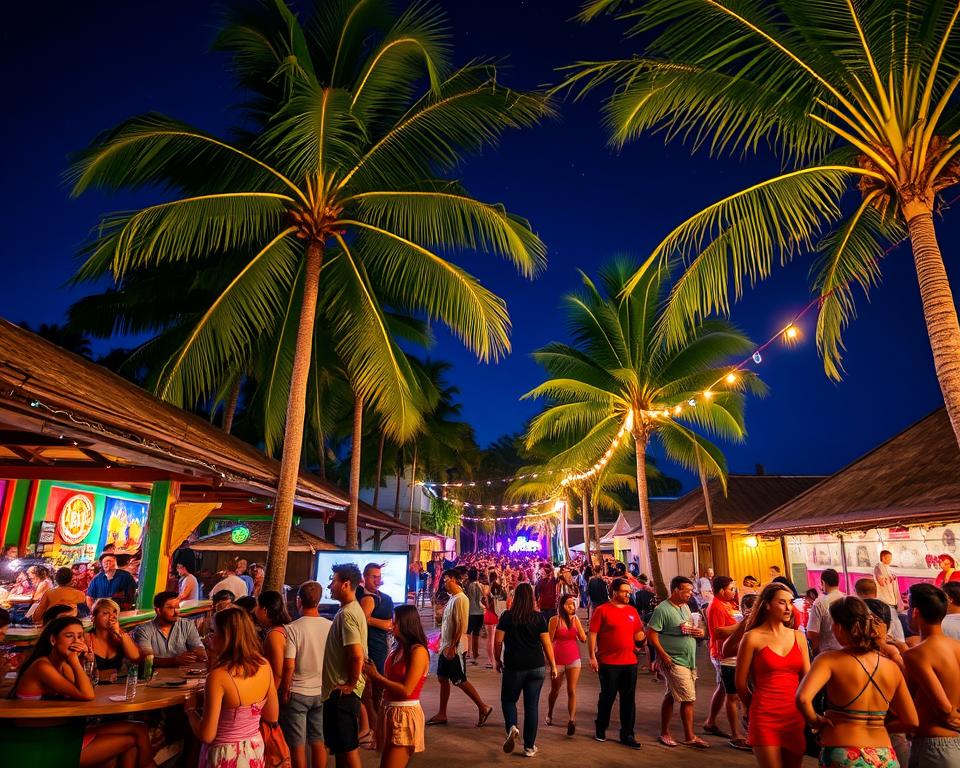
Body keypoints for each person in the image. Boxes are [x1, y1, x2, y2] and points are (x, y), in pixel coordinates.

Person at [13, 616, 154, 768]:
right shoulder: (42, 666)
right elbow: (88, 695)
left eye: (80, 636)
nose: (77, 641)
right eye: (69, 636)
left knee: (139, 728)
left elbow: (87, 688)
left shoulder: (63, 665)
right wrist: (74, 660)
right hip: (41, 740)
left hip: (64, 731)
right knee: (131, 741)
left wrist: (86, 660)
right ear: (53, 640)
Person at [796, 595, 918, 768]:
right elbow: (911, 720)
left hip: (843, 751)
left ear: (838, 627)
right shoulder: (891, 667)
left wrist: (815, 720)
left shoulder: (828, 660)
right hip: (884, 754)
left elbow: (802, 698)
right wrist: (878, 725)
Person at [186, 607, 280, 768]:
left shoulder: (218, 677)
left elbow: (207, 735)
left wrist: (190, 710)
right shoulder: (264, 665)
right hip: (254, 750)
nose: (209, 637)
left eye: (213, 632)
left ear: (226, 637)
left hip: (226, 754)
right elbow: (272, 716)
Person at [736, 583, 811, 768]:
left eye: (790, 602)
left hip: (794, 715)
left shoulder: (799, 637)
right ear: (767, 605)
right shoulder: (752, 637)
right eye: (782, 602)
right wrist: (753, 706)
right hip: (764, 715)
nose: (788, 608)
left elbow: (807, 680)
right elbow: (740, 683)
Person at [495, 582, 558, 757]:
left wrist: (497, 660)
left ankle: (512, 727)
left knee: (509, 700)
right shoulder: (538, 618)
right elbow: (546, 643)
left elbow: (498, 641)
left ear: (515, 597)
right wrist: (553, 665)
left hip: (514, 666)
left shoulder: (507, 617)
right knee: (531, 706)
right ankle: (529, 747)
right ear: (532, 598)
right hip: (536, 666)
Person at [363, 605, 429, 768]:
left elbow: (407, 690)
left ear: (406, 624)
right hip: (390, 711)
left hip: (405, 714)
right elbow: (390, 679)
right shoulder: (398, 648)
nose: (391, 625)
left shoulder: (418, 651)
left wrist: (378, 677)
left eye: (395, 622)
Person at [427, 569, 493, 728]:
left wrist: (452, 646)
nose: (444, 583)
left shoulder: (461, 599)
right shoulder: (453, 598)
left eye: (446, 580)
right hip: (446, 646)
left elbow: (461, 625)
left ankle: (483, 707)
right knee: (442, 678)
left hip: (454, 647)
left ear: (454, 580)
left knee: (459, 680)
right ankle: (442, 713)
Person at [903, 583, 960, 768]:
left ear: (915, 612)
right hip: (953, 742)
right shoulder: (957, 647)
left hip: (934, 745)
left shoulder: (916, 654)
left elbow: (943, 707)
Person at [647, 575, 707, 749]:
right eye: (687, 591)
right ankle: (689, 736)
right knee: (688, 698)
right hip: (673, 660)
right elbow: (651, 633)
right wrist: (662, 655)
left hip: (688, 659)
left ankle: (665, 732)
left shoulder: (685, 607)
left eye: (691, 591)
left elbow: (687, 627)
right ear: (676, 590)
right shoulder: (662, 609)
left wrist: (698, 632)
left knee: (671, 695)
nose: (690, 594)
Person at [588, 577, 645, 749]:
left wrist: (643, 638)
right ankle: (601, 726)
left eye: (629, 592)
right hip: (608, 662)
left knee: (629, 699)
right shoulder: (602, 610)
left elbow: (638, 633)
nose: (628, 594)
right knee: (608, 696)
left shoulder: (632, 611)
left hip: (630, 661)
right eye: (624, 592)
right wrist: (592, 656)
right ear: (614, 592)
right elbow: (593, 634)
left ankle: (627, 733)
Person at [279, 581, 331, 768]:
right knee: (319, 741)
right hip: (322, 691)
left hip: (298, 692)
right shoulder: (330, 626)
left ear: (299, 600)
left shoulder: (292, 628)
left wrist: (285, 688)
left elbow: (289, 665)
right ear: (319, 601)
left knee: (297, 745)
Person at [322, 563, 368, 768]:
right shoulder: (350, 610)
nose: (330, 586)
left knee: (348, 749)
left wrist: (350, 684)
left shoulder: (348, 614)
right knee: (341, 749)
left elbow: (356, 655)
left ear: (346, 584)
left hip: (342, 693)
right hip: (340, 691)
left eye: (333, 581)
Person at [704, 575, 748, 749]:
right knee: (732, 695)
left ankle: (710, 722)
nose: (734, 592)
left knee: (723, 688)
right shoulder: (716, 606)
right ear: (721, 591)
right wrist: (743, 624)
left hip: (730, 653)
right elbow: (718, 632)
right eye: (731, 589)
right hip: (724, 655)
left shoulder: (727, 604)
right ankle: (736, 734)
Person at [359, 562, 395, 745]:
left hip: (380, 650)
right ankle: (372, 730)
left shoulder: (386, 599)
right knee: (366, 692)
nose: (377, 580)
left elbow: (390, 625)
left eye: (379, 576)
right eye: (373, 576)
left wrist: (368, 619)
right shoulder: (361, 597)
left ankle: (377, 731)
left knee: (377, 692)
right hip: (365, 650)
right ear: (365, 577)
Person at [133, 591, 207, 667]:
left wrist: (200, 653)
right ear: (158, 611)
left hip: (182, 673)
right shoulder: (143, 630)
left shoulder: (187, 625)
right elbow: (146, 659)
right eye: (171, 608)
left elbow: (199, 649)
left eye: (177, 607)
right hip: (155, 674)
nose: (176, 612)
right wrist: (174, 661)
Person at [547, 593, 586, 735]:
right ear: (562, 606)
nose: (572, 606)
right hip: (557, 660)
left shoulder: (575, 619)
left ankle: (571, 720)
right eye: (569, 604)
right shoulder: (554, 620)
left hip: (573, 659)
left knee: (572, 690)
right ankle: (550, 713)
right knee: (555, 689)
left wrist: (582, 633)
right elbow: (549, 641)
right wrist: (550, 662)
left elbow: (583, 638)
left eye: (573, 603)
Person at [86, 598, 139, 675]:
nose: (112, 616)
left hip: (117, 683)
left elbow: (135, 657)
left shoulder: (120, 638)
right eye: (105, 613)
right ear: (93, 618)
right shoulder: (86, 637)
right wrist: (105, 675)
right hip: (93, 682)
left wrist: (119, 632)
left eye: (114, 612)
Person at [855, 578, 907, 649]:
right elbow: (899, 636)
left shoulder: (854, 607)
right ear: (876, 592)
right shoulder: (889, 608)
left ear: (856, 592)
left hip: (860, 646)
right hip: (884, 646)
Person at [256, 590, 291, 688]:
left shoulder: (275, 634)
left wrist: (273, 692)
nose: (255, 610)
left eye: (257, 606)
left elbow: (278, 671)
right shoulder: (282, 628)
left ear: (264, 610)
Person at [808, 568, 845, 654]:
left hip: (827, 653)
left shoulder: (819, 603)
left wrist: (816, 651)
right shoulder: (846, 599)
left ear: (823, 582)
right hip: (846, 652)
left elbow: (812, 632)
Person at [464, 567, 486, 664]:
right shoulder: (480, 585)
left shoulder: (467, 585)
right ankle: (475, 652)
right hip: (480, 611)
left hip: (469, 611)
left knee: (468, 632)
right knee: (476, 632)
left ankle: (468, 652)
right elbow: (484, 596)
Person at [483, 572, 500, 668]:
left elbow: (486, 603)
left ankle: (491, 661)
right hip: (496, 614)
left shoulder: (487, 588)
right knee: (495, 639)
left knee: (490, 639)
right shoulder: (498, 588)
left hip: (489, 614)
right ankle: (496, 660)